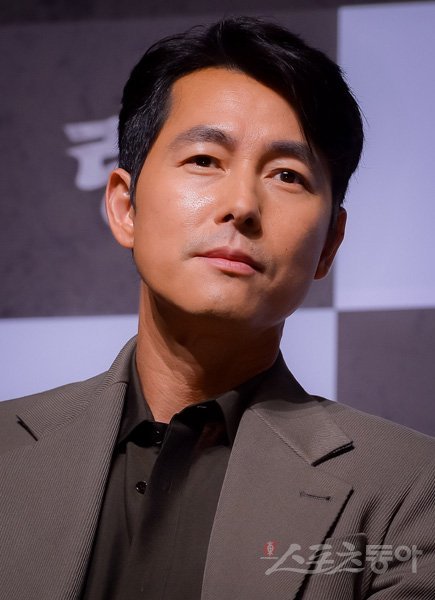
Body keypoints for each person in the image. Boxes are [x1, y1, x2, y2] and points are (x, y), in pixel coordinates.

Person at [1, 16, 434, 600]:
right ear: (125, 207)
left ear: (330, 244)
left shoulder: (408, 492)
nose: (241, 205)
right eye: (205, 160)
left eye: (287, 174)